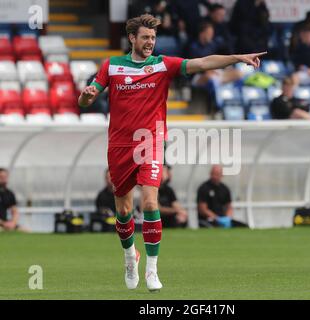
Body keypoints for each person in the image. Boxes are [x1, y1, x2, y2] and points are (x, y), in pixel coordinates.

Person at [78, 13, 266, 292]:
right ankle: (131, 257)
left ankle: (152, 270)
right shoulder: (112, 66)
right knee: (124, 211)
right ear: (132, 38)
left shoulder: (162, 65)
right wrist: (86, 96)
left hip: (150, 142)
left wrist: (236, 57)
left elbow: (202, 63)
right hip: (119, 146)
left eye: (153, 37)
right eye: (145, 37)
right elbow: (86, 97)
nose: (150, 42)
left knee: (151, 203)